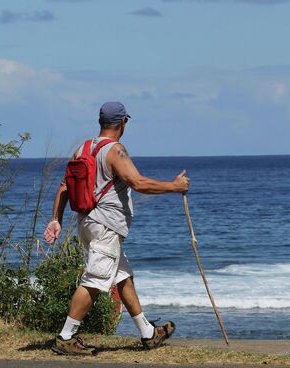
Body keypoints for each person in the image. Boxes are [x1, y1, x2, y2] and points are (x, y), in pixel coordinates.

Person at [43, 101, 190, 355]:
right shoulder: (115, 150)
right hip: (105, 226)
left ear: (101, 122)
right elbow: (138, 182)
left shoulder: (83, 148)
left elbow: (64, 186)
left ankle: (147, 333)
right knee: (95, 281)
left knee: (122, 277)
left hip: (87, 223)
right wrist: (174, 186)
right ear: (123, 122)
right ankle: (66, 337)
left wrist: (55, 219)